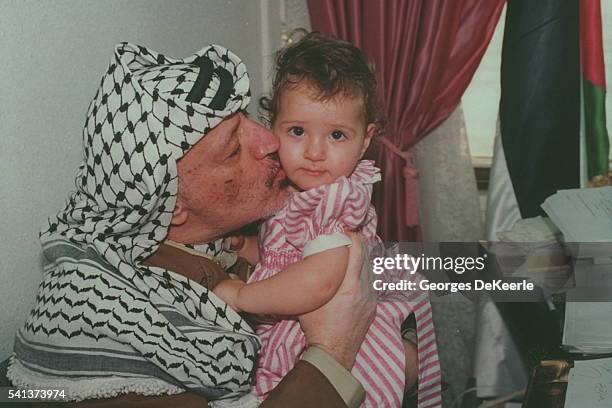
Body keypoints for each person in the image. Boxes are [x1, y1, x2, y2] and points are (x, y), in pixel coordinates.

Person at [6, 42, 377, 408]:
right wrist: (332, 352)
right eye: (233, 149)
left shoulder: (227, 236)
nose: (269, 140)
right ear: (173, 203)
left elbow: (379, 272)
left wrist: (407, 340)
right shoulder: (102, 322)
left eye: (247, 120)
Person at [213, 33, 442, 408]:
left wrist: (242, 295)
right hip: (302, 315)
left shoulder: (335, 199)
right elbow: (282, 251)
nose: (315, 152)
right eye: (297, 131)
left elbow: (320, 280)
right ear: (273, 126)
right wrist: (249, 247)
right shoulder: (290, 192)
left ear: (365, 140)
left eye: (337, 135)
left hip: (345, 332)